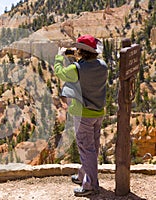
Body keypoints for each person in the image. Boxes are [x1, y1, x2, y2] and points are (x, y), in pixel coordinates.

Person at [54, 34, 108, 197]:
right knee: (93, 147)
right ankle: (82, 175)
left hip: (83, 114)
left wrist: (60, 55)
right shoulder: (103, 65)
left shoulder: (76, 69)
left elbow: (60, 72)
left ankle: (90, 185)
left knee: (86, 148)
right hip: (98, 112)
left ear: (81, 51)